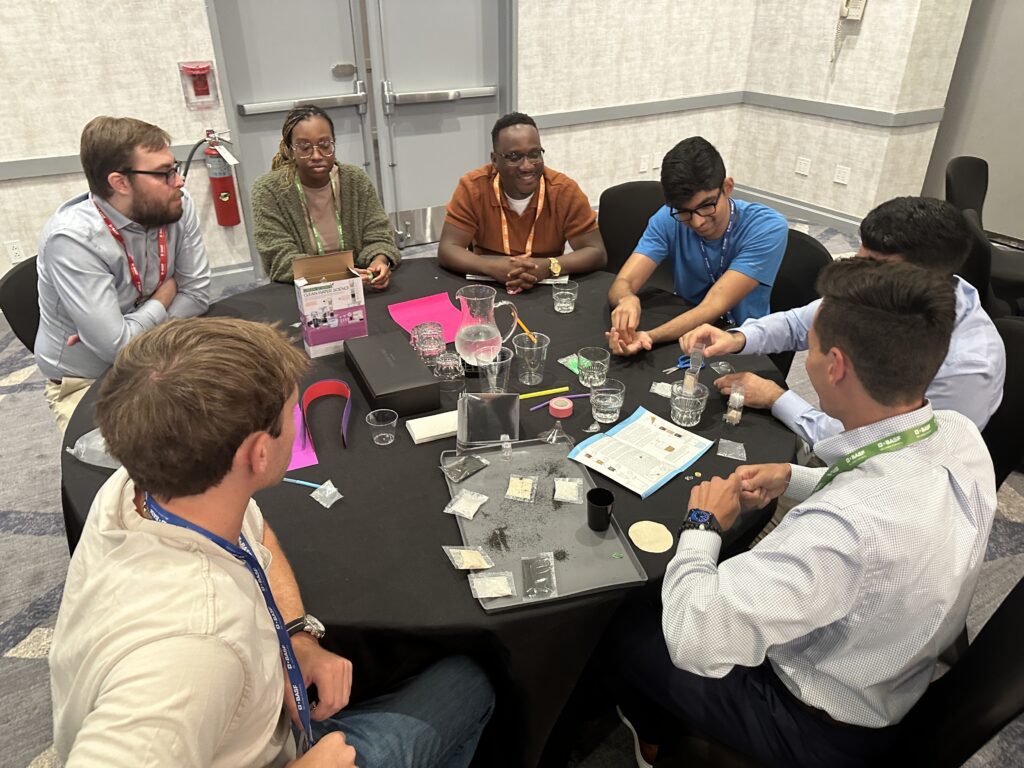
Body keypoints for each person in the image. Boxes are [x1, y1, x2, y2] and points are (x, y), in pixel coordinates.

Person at [48, 317, 494, 767]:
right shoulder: (194, 652)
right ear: (259, 454)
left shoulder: (154, 479)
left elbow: (254, 528)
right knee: (471, 682)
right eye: (292, 415)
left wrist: (297, 634)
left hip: (259, 719)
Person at [604, 257, 997, 767]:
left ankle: (656, 742)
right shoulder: (955, 430)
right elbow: (886, 487)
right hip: (895, 671)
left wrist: (702, 527)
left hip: (816, 725)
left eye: (809, 347)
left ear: (834, 366)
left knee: (631, 622)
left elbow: (696, 639)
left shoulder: (842, 531)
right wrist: (796, 477)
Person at [680, 196, 1006, 445]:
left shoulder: (968, 366)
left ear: (919, 279)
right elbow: (799, 323)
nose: (855, 272)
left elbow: (888, 447)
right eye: (858, 258)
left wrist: (777, 399)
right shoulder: (878, 293)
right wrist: (738, 338)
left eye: (872, 265)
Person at [34, 116, 210, 433]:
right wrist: (166, 295)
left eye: (175, 167)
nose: (179, 182)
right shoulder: (73, 239)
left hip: (163, 358)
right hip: (90, 380)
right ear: (120, 183)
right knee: (129, 475)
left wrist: (131, 328)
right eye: (164, 174)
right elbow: (115, 350)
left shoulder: (176, 206)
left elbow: (197, 294)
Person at [606, 136, 787, 356]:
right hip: (685, 334)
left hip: (741, 342)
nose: (698, 221)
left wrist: (648, 336)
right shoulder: (667, 219)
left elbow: (712, 307)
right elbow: (623, 282)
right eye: (684, 211)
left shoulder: (766, 227)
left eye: (707, 205)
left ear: (727, 187)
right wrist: (627, 298)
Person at [437, 112, 606, 294]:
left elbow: (596, 252)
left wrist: (550, 266)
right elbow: (448, 248)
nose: (527, 166)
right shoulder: (473, 187)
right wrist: (491, 265)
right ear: (495, 160)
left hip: (544, 287)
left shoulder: (563, 190)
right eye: (514, 157)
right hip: (488, 285)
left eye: (534, 154)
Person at [252, 104, 401, 287]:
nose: (316, 155)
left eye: (324, 145)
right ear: (291, 150)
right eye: (304, 147)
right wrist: (341, 276)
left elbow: (379, 236)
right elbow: (279, 259)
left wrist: (379, 260)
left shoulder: (355, 180)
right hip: (299, 290)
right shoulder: (269, 190)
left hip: (361, 285)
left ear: (334, 143)